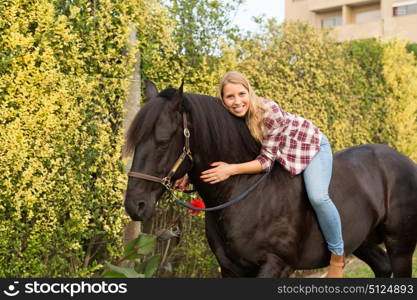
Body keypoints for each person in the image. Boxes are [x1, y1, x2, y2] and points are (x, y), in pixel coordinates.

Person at [175, 71, 345, 278]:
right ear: (223, 99)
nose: (237, 102)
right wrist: (189, 175)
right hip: (280, 154)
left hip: (309, 147)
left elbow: (265, 161)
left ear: (249, 92)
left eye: (241, 94)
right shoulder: (228, 117)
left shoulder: (268, 112)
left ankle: (337, 257)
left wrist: (230, 169)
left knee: (318, 196)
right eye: (230, 97)